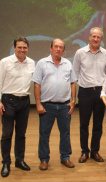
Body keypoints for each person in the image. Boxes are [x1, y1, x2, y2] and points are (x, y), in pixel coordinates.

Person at [32, 38, 77, 170]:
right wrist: (38, 104)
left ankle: (65, 157)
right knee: (44, 133)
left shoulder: (68, 64)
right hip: (47, 105)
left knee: (65, 133)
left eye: (61, 47)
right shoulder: (42, 63)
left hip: (64, 105)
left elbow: (73, 82)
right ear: (50, 48)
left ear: (63, 50)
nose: (58, 49)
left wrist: (73, 101)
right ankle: (44, 159)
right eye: (56, 46)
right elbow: (36, 83)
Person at [73, 27, 106, 163]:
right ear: (89, 37)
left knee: (98, 124)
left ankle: (95, 151)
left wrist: (104, 90)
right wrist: (83, 83)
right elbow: (75, 72)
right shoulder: (80, 53)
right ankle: (85, 151)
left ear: (101, 39)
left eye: (98, 37)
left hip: (100, 93)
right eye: (94, 36)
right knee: (84, 123)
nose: (96, 39)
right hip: (85, 92)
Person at [0, 36, 35, 177]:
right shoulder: (5, 62)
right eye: (19, 47)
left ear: (27, 49)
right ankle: (6, 163)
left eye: (24, 47)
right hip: (8, 101)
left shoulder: (32, 63)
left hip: (25, 102)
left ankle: (19, 160)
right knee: (7, 134)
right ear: (14, 48)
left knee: (21, 134)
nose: (22, 50)